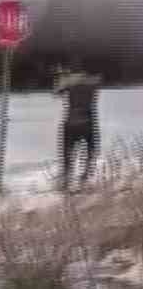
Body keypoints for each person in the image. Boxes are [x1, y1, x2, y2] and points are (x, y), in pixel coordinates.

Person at [53, 60, 101, 192]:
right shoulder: (94, 81)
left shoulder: (69, 81)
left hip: (70, 122)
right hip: (88, 122)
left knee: (67, 153)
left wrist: (61, 75)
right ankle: (83, 180)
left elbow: (56, 92)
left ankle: (66, 182)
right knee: (92, 150)